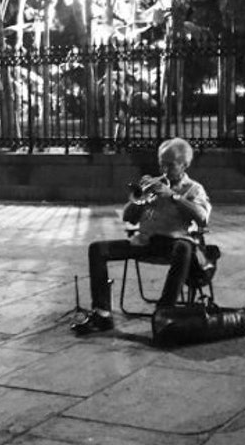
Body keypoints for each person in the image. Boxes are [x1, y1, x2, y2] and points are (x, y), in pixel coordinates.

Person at [72, 137, 211, 334]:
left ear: (185, 165)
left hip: (174, 243)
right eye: (161, 163)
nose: (164, 170)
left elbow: (203, 218)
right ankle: (102, 313)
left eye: (170, 165)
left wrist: (173, 196)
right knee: (97, 248)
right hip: (145, 241)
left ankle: (165, 311)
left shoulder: (194, 189)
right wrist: (142, 200)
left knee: (184, 247)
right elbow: (128, 217)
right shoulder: (152, 186)